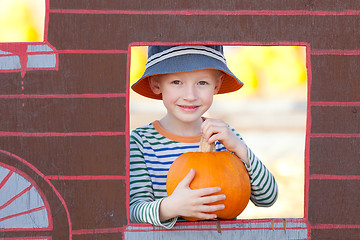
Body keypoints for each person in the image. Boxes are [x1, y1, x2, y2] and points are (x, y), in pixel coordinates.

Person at [130, 45, 278, 229]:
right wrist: (170, 207)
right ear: (156, 84)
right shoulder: (141, 142)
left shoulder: (224, 138)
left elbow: (268, 198)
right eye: (177, 82)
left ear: (216, 85)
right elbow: (134, 212)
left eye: (202, 83)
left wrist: (240, 149)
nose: (190, 96)